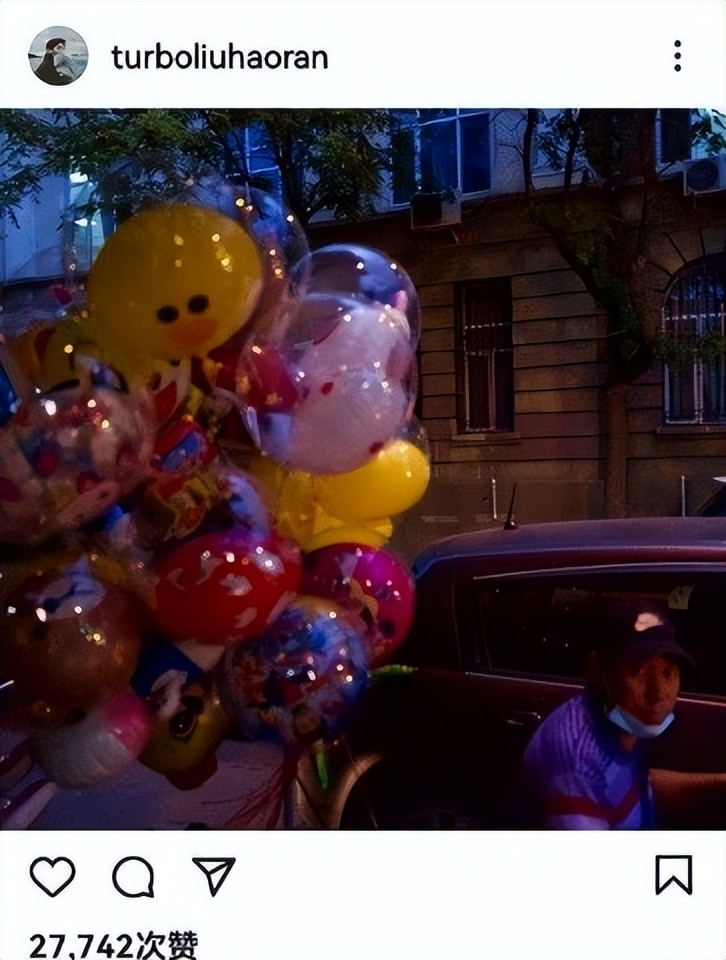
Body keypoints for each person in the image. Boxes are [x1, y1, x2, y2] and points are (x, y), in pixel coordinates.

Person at [519, 603, 693, 829]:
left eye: (667, 672)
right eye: (636, 671)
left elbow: (629, 787)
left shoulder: (618, 720)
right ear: (596, 669)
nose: (658, 692)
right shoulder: (577, 765)